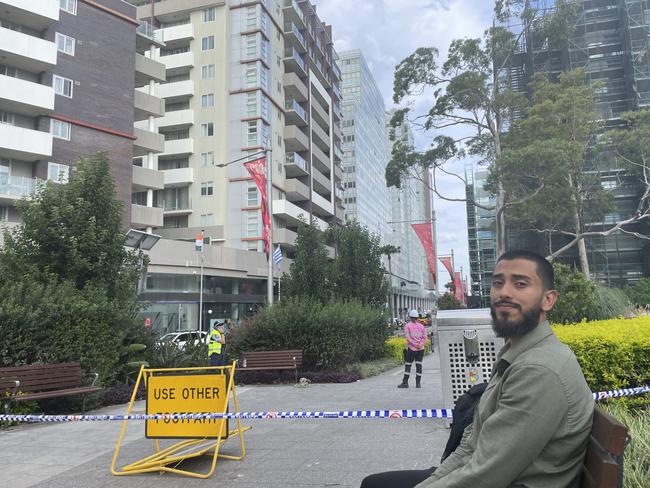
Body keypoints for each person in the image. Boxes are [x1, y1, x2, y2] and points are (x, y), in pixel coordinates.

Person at [362, 250, 594, 488]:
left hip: (509, 481)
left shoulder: (538, 370)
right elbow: (471, 447)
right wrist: (432, 480)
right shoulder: (518, 354)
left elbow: (485, 474)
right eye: (497, 283)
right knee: (375, 483)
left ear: (548, 299)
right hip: (500, 474)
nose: (504, 292)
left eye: (520, 284)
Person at [398, 309, 427, 389]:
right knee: (419, 365)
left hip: (411, 349)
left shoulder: (407, 326)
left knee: (408, 365)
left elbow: (408, 337)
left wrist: (414, 345)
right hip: (421, 349)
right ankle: (418, 384)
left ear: (410, 317)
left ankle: (405, 383)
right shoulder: (422, 326)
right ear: (417, 317)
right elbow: (425, 337)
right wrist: (420, 345)